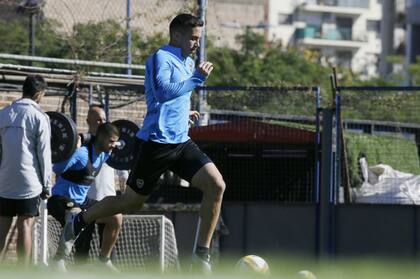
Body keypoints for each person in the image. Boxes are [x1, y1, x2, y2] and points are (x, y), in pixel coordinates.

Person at [60, 13, 226, 273]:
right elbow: (162, 91)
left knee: (216, 185)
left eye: (198, 39)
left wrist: (185, 114)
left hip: (181, 142)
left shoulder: (188, 61)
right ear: (177, 35)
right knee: (131, 203)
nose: (196, 43)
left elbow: (174, 99)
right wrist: (195, 79)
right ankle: (80, 219)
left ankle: (201, 256)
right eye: (193, 38)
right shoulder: (162, 57)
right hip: (155, 144)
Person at [47, 122, 120, 270]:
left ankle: (104, 260)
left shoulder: (105, 154)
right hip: (60, 199)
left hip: (82, 202)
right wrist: (75, 148)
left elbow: (111, 145)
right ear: (101, 138)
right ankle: (58, 260)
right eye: (111, 141)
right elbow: (57, 168)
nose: (113, 145)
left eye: (115, 142)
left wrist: (84, 136)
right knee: (76, 215)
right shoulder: (81, 154)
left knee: (116, 216)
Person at [0, 75, 52, 266]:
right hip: (29, 183)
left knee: (2, 225)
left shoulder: (3, 113)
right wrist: (47, 185)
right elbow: (44, 155)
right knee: (26, 225)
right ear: (39, 94)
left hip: (4, 180)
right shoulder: (40, 117)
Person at [72, 105, 125, 269]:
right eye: (97, 120)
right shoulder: (81, 146)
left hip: (107, 202)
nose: (102, 123)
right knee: (81, 254)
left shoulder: (113, 145)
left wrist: (123, 194)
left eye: (103, 119)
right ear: (88, 121)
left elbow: (123, 172)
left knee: (108, 257)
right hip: (85, 206)